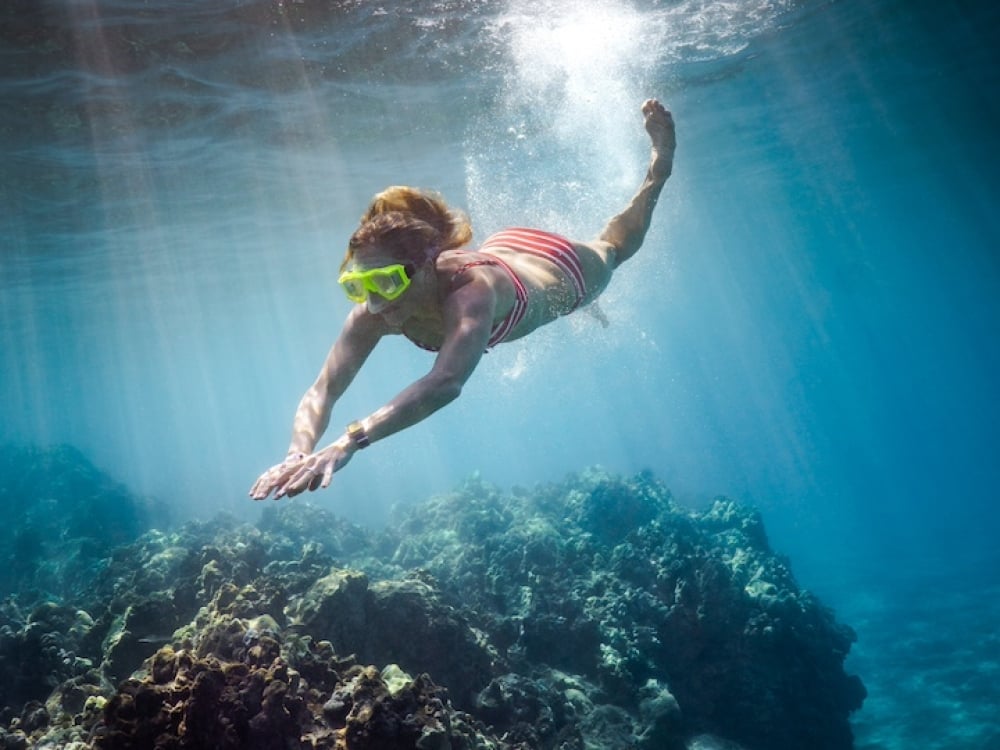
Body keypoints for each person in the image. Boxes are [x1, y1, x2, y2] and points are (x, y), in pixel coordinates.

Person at [250, 98, 676, 501]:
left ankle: (659, 169)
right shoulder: (376, 307)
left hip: (561, 269)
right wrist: (297, 453)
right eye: (358, 285)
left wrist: (349, 441)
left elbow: (446, 382)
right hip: (502, 245)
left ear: (427, 265)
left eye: (388, 282)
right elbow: (323, 390)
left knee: (615, 250)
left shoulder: (472, 292)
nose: (375, 302)